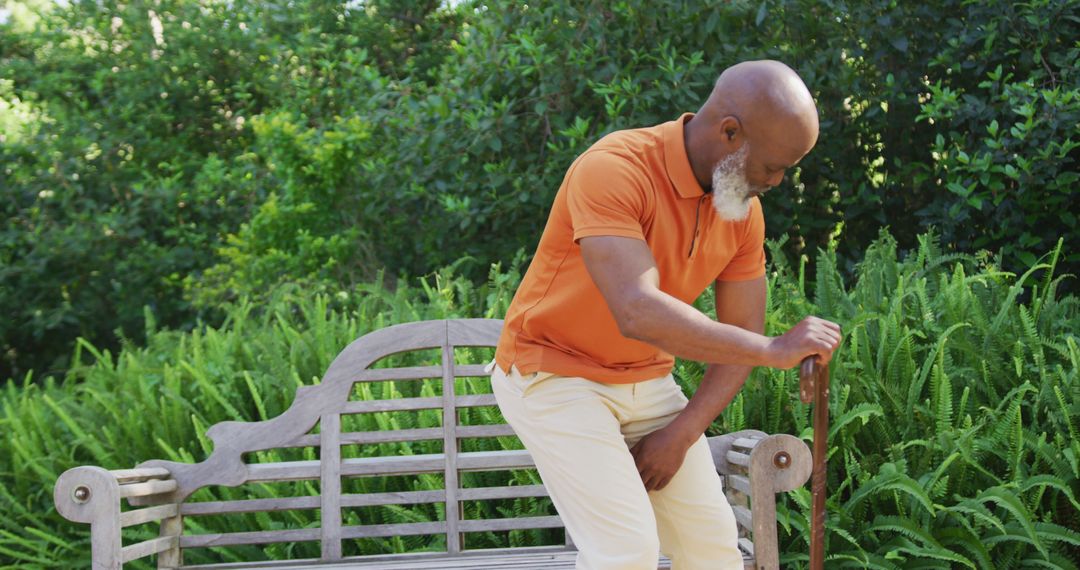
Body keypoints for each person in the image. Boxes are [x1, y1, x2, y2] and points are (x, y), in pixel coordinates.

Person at [487, 60, 843, 570]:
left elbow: (740, 336)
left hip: (646, 379)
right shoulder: (615, 167)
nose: (779, 181)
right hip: (552, 371)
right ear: (729, 133)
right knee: (625, 550)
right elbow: (636, 310)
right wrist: (773, 351)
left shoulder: (741, 209)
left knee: (713, 549)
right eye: (771, 165)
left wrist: (680, 434)